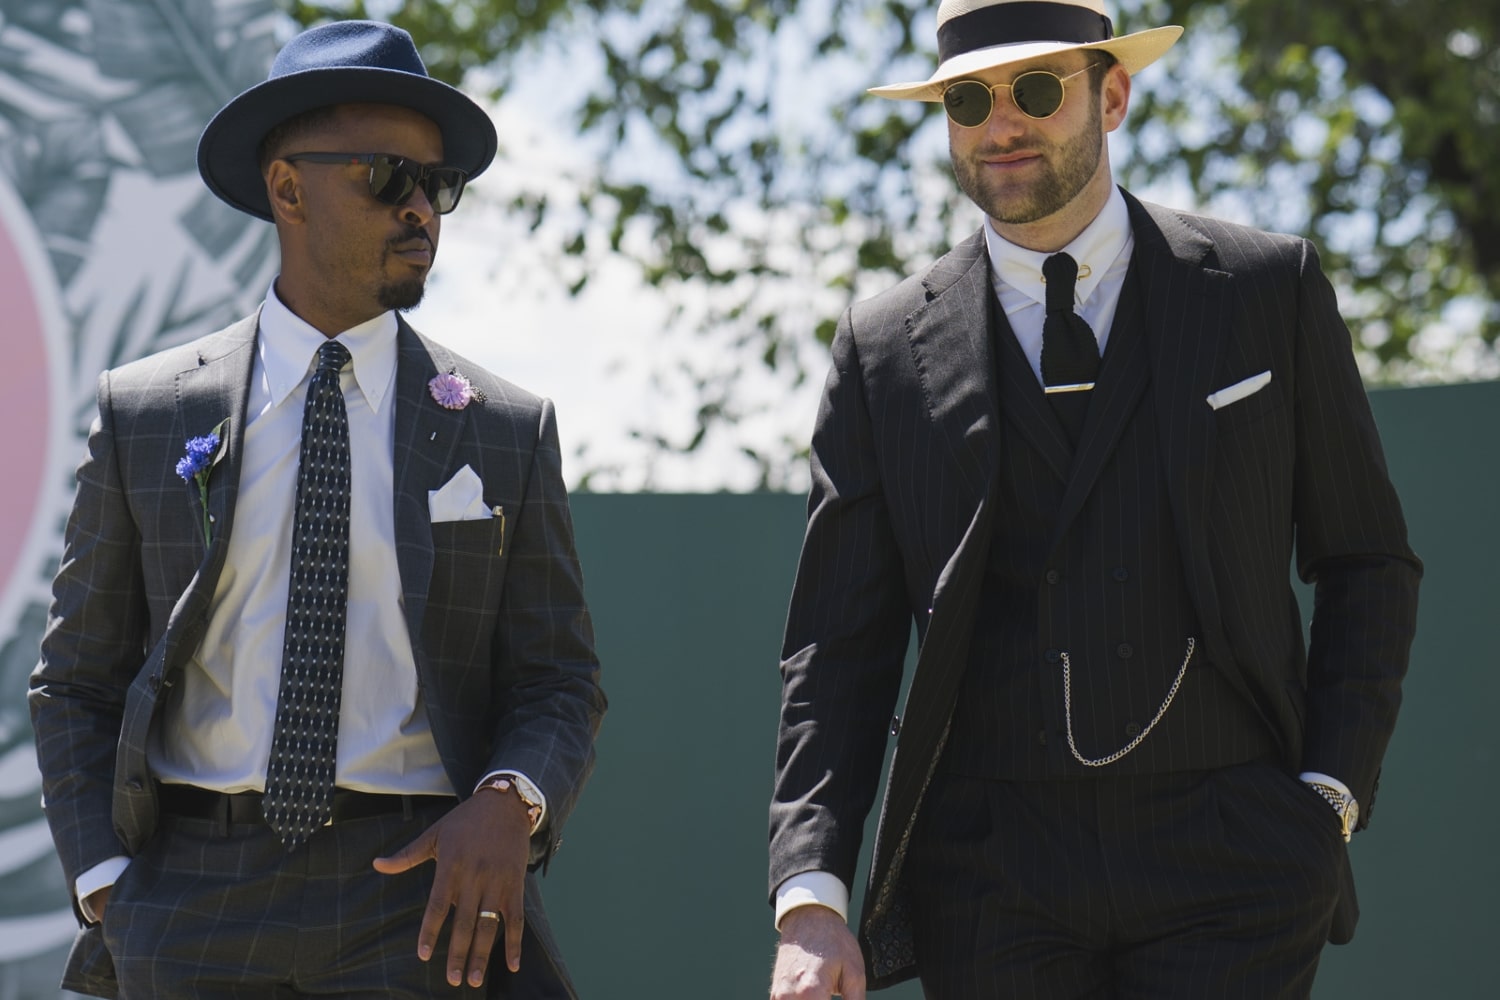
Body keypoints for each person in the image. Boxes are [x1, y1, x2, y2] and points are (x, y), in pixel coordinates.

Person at [767, 1, 1421, 997]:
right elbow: (835, 646)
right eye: (968, 99)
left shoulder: (1263, 288)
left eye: (1035, 89)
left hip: (1235, 850)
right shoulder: (883, 348)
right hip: (989, 874)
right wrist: (810, 892)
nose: (1002, 122)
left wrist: (1328, 795)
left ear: (1111, 96)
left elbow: (1367, 559)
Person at [29, 19, 604, 999]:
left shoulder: (506, 429)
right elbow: (76, 678)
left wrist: (511, 800)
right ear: (287, 187)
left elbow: (557, 679)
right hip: (190, 905)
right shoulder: (148, 412)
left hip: (423, 900)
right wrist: (109, 889)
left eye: (440, 186)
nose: (423, 209)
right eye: (390, 177)